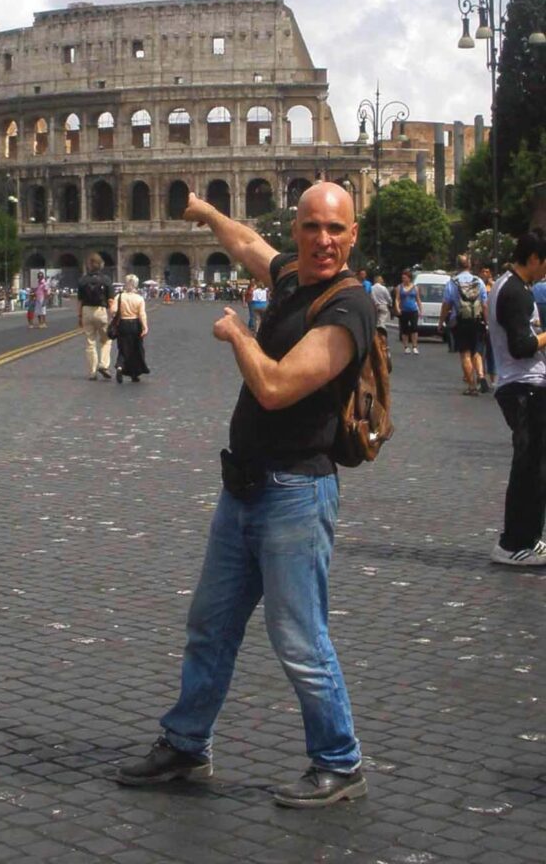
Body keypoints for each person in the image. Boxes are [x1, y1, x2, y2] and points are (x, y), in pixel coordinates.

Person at [116, 183, 374, 808]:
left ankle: (339, 762)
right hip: (245, 489)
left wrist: (238, 335)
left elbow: (278, 387)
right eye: (311, 227)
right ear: (299, 231)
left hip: (296, 493)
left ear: (353, 234)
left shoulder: (349, 308)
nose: (323, 240)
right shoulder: (291, 278)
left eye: (335, 229)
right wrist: (206, 213)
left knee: (300, 640)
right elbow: (248, 243)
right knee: (210, 625)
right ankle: (186, 744)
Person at [486, 230, 546, 566]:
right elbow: (521, 346)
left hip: (523, 385)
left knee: (536, 466)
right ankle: (513, 543)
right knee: (528, 468)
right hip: (523, 387)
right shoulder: (515, 293)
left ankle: (530, 537)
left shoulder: (511, 287)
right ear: (534, 258)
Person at [437, 255, 489, 395]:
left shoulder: (452, 283)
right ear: (469, 265)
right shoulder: (478, 281)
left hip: (460, 321)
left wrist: (441, 322)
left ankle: (471, 386)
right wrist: (487, 322)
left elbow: (446, 305)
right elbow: (485, 304)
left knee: (465, 353)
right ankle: (481, 376)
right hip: (477, 320)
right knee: (477, 352)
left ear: (457, 266)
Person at [77, 254, 114, 380]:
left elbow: (80, 301)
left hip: (86, 310)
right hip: (101, 311)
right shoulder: (106, 280)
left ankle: (92, 372)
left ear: (89, 265)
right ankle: (103, 364)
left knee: (90, 342)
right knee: (106, 340)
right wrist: (112, 315)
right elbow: (110, 300)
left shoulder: (83, 280)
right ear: (101, 265)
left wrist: (79, 316)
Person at [110, 274, 150, 383]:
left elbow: (113, 311)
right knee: (136, 349)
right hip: (135, 324)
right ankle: (134, 374)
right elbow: (142, 314)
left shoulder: (119, 296)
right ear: (136, 284)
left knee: (123, 348)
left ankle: (119, 366)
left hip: (123, 324)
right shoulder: (139, 298)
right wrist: (145, 327)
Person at [394, 269, 422, 354]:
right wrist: (398, 308)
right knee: (404, 329)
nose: (403, 280)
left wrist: (420, 309)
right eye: (402, 278)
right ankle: (406, 347)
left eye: (405, 278)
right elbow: (397, 299)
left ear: (409, 278)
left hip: (413, 310)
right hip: (404, 311)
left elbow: (418, 299)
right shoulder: (399, 287)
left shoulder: (415, 287)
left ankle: (414, 346)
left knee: (414, 328)